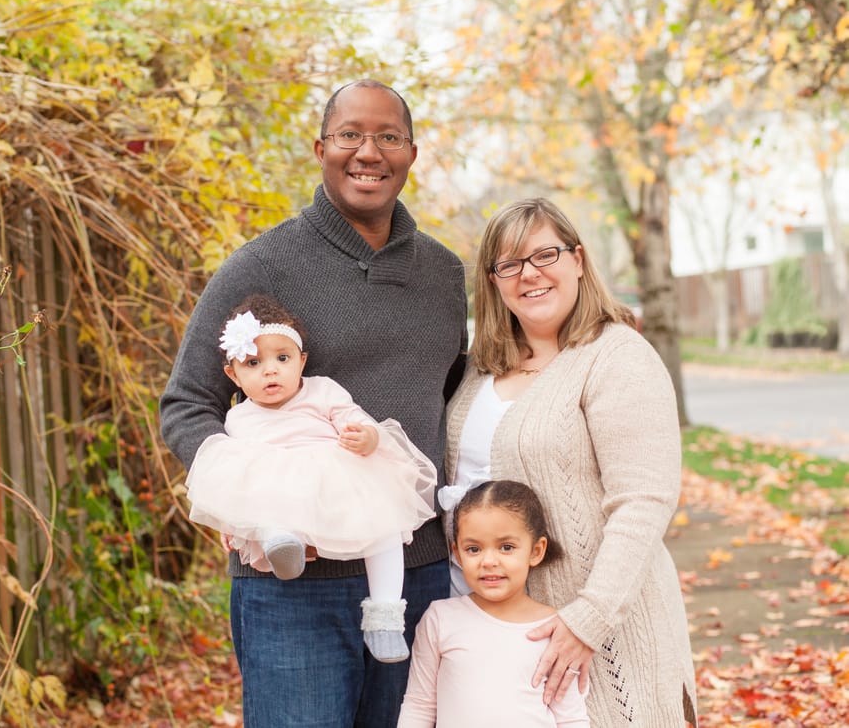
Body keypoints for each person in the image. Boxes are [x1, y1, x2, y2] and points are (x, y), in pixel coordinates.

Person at [160, 80, 467, 727]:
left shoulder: (443, 276)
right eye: (351, 134)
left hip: (416, 573)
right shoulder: (260, 265)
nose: (368, 151)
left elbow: (463, 387)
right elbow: (188, 402)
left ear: (411, 152)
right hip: (291, 583)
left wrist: (598, 327)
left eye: (388, 136)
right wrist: (248, 494)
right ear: (321, 147)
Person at [444, 197, 698, 726]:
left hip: (597, 629)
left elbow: (644, 501)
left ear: (577, 260)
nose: (529, 275)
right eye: (509, 264)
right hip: (493, 640)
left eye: (545, 255)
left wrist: (589, 619)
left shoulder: (616, 356)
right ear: (493, 281)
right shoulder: (478, 370)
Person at [185, 294, 439, 663]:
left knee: (383, 527)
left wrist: (368, 437)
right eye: (253, 363)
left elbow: (354, 417)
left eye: (282, 359)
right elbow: (237, 484)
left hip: (337, 479)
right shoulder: (238, 419)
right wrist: (233, 522)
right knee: (267, 499)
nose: (270, 371)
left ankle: (385, 617)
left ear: (302, 361)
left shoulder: (322, 390)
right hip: (280, 499)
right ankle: (281, 545)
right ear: (232, 374)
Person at [398, 479, 590, 727]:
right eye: (474, 549)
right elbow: (419, 706)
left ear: (536, 551)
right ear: (457, 553)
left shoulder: (556, 629)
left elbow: (571, 719)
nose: (488, 561)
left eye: (506, 547)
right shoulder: (440, 618)